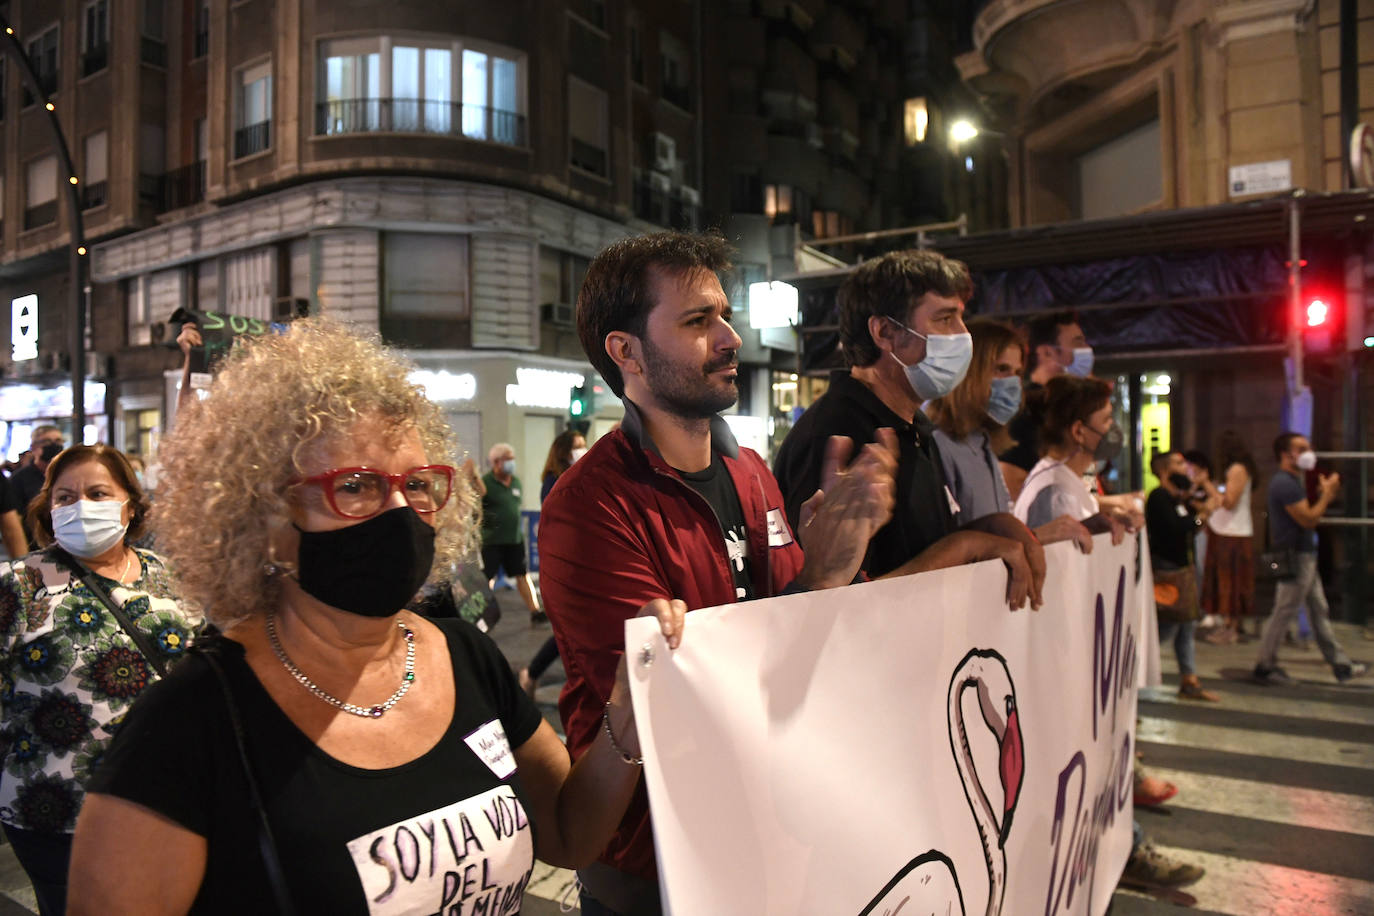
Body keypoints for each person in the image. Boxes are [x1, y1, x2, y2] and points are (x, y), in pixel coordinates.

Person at [67, 319, 685, 914]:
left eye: (417, 484)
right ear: (270, 522)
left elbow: (567, 835)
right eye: (357, 485)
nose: (400, 513)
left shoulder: (464, 654)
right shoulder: (190, 722)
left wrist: (626, 722)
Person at [539, 231, 897, 915]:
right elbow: (683, 705)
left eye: (724, 315)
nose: (730, 337)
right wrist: (817, 581)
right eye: (699, 321)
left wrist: (841, 576)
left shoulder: (750, 471)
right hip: (657, 868)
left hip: (770, 836)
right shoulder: (587, 507)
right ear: (626, 352)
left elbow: (803, 631)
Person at [773, 250, 1044, 610]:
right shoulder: (836, 436)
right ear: (885, 333)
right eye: (945, 319)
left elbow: (912, 551)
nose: (963, 337)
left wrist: (987, 527)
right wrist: (965, 546)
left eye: (960, 319)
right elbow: (829, 605)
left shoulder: (916, 429)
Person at [0, 444, 198, 916]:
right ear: (48, 508)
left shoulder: (169, 577)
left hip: (165, 803)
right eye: (65, 497)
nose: (80, 507)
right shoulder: (21, 584)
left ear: (129, 502)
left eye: (97, 492)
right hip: (57, 810)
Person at [925, 317, 1092, 552]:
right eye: (1001, 369)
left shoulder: (983, 445)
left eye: (1017, 372)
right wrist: (1035, 537)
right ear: (969, 372)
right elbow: (947, 550)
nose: (1012, 383)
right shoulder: (939, 445)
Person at [1252, 433, 1366, 685]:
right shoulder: (1285, 483)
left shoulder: (1294, 481)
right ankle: (1264, 664)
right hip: (1297, 556)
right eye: (1301, 448)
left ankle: (1340, 664)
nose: (1308, 452)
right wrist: (1327, 495)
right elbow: (1309, 519)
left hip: (1305, 555)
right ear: (1286, 454)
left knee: (1318, 609)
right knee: (1284, 611)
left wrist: (1322, 493)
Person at [1145, 450, 1219, 701]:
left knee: (1186, 625)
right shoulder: (1158, 498)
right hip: (1167, 571)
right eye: (1178, 464)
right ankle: (1131, 678)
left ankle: (1190, 680)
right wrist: (1201, 518)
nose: (1184, 468)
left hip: (1183, 570)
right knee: (1166, 628)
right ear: (1164, 471)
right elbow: (1176, 530)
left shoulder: (1177, 498)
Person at [519, 429, 588, 697]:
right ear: (563, 452)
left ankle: (534, 673)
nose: (582, 449)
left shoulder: (579, 476)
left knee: (575, 628)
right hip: (568, 565)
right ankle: (533, 672)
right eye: (578, 446)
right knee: (570, 628)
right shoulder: (554, 482)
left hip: (579, 560)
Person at [998, 311, 1090, 499]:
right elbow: (1014, 482)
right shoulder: (1028, 410)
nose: (1087, 349)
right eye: (1077, 343)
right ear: (1047, 352)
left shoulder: (1066, 406)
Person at [1201, 430, 1257, 644]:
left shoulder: (1237, 469)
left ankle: (1231, 627)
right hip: (1228, 530)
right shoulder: (1238, 469)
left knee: (1230, 583)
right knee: (1227, 582)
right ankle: (1229, 624)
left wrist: (1207, 485)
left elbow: (1229, 501)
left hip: (1233, 532)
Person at [481, 442, 546, 624]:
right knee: (488, 578)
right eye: (508, 459)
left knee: (522, 575)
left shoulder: (516, 481)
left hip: (514, 540)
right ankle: (482, 615)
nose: (512, 462)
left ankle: (535, 611)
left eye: (512, 459)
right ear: (496, 462)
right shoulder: (486, 483)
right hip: (492, 540)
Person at [13, 427, 65, 550]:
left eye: (58, 441)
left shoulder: (69, 474)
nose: (53, 445)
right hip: (34, 548)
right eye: (46, 442)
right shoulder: (20, 479)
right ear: (33, 447)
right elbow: (15, 521)